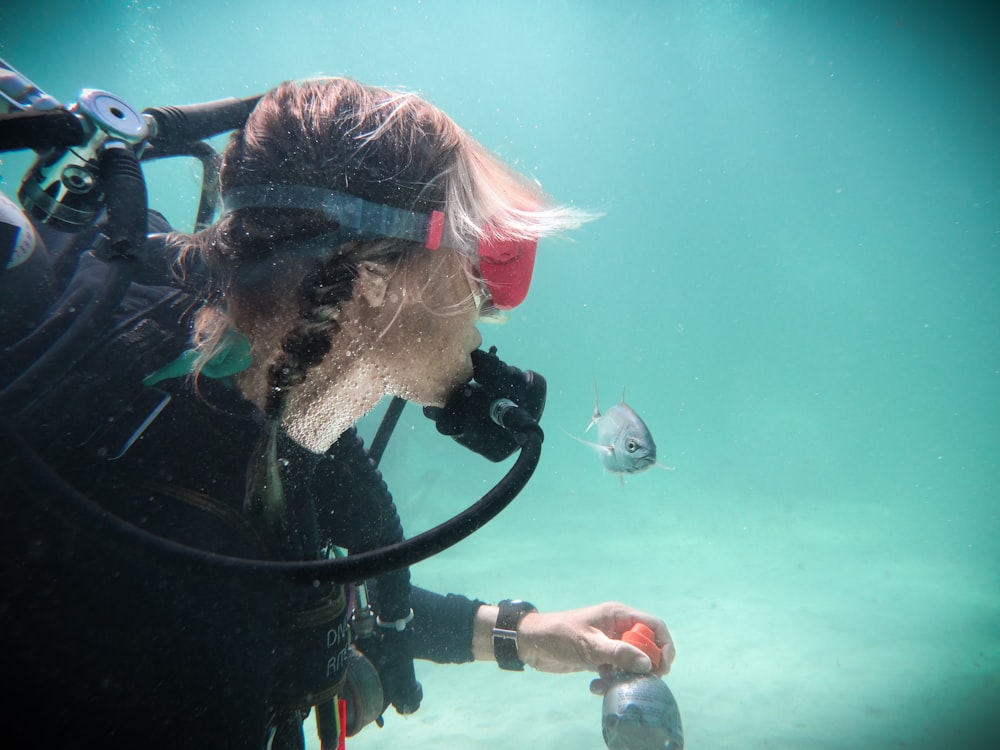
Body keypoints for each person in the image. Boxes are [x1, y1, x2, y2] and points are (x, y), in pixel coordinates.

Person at [0, 77, 674, 749]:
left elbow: (307, 596)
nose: (490, 309)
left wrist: (521, 635)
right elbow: (241, 611)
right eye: (477, 267)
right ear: (378, 280)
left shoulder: (235, 408)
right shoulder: (176, 557)